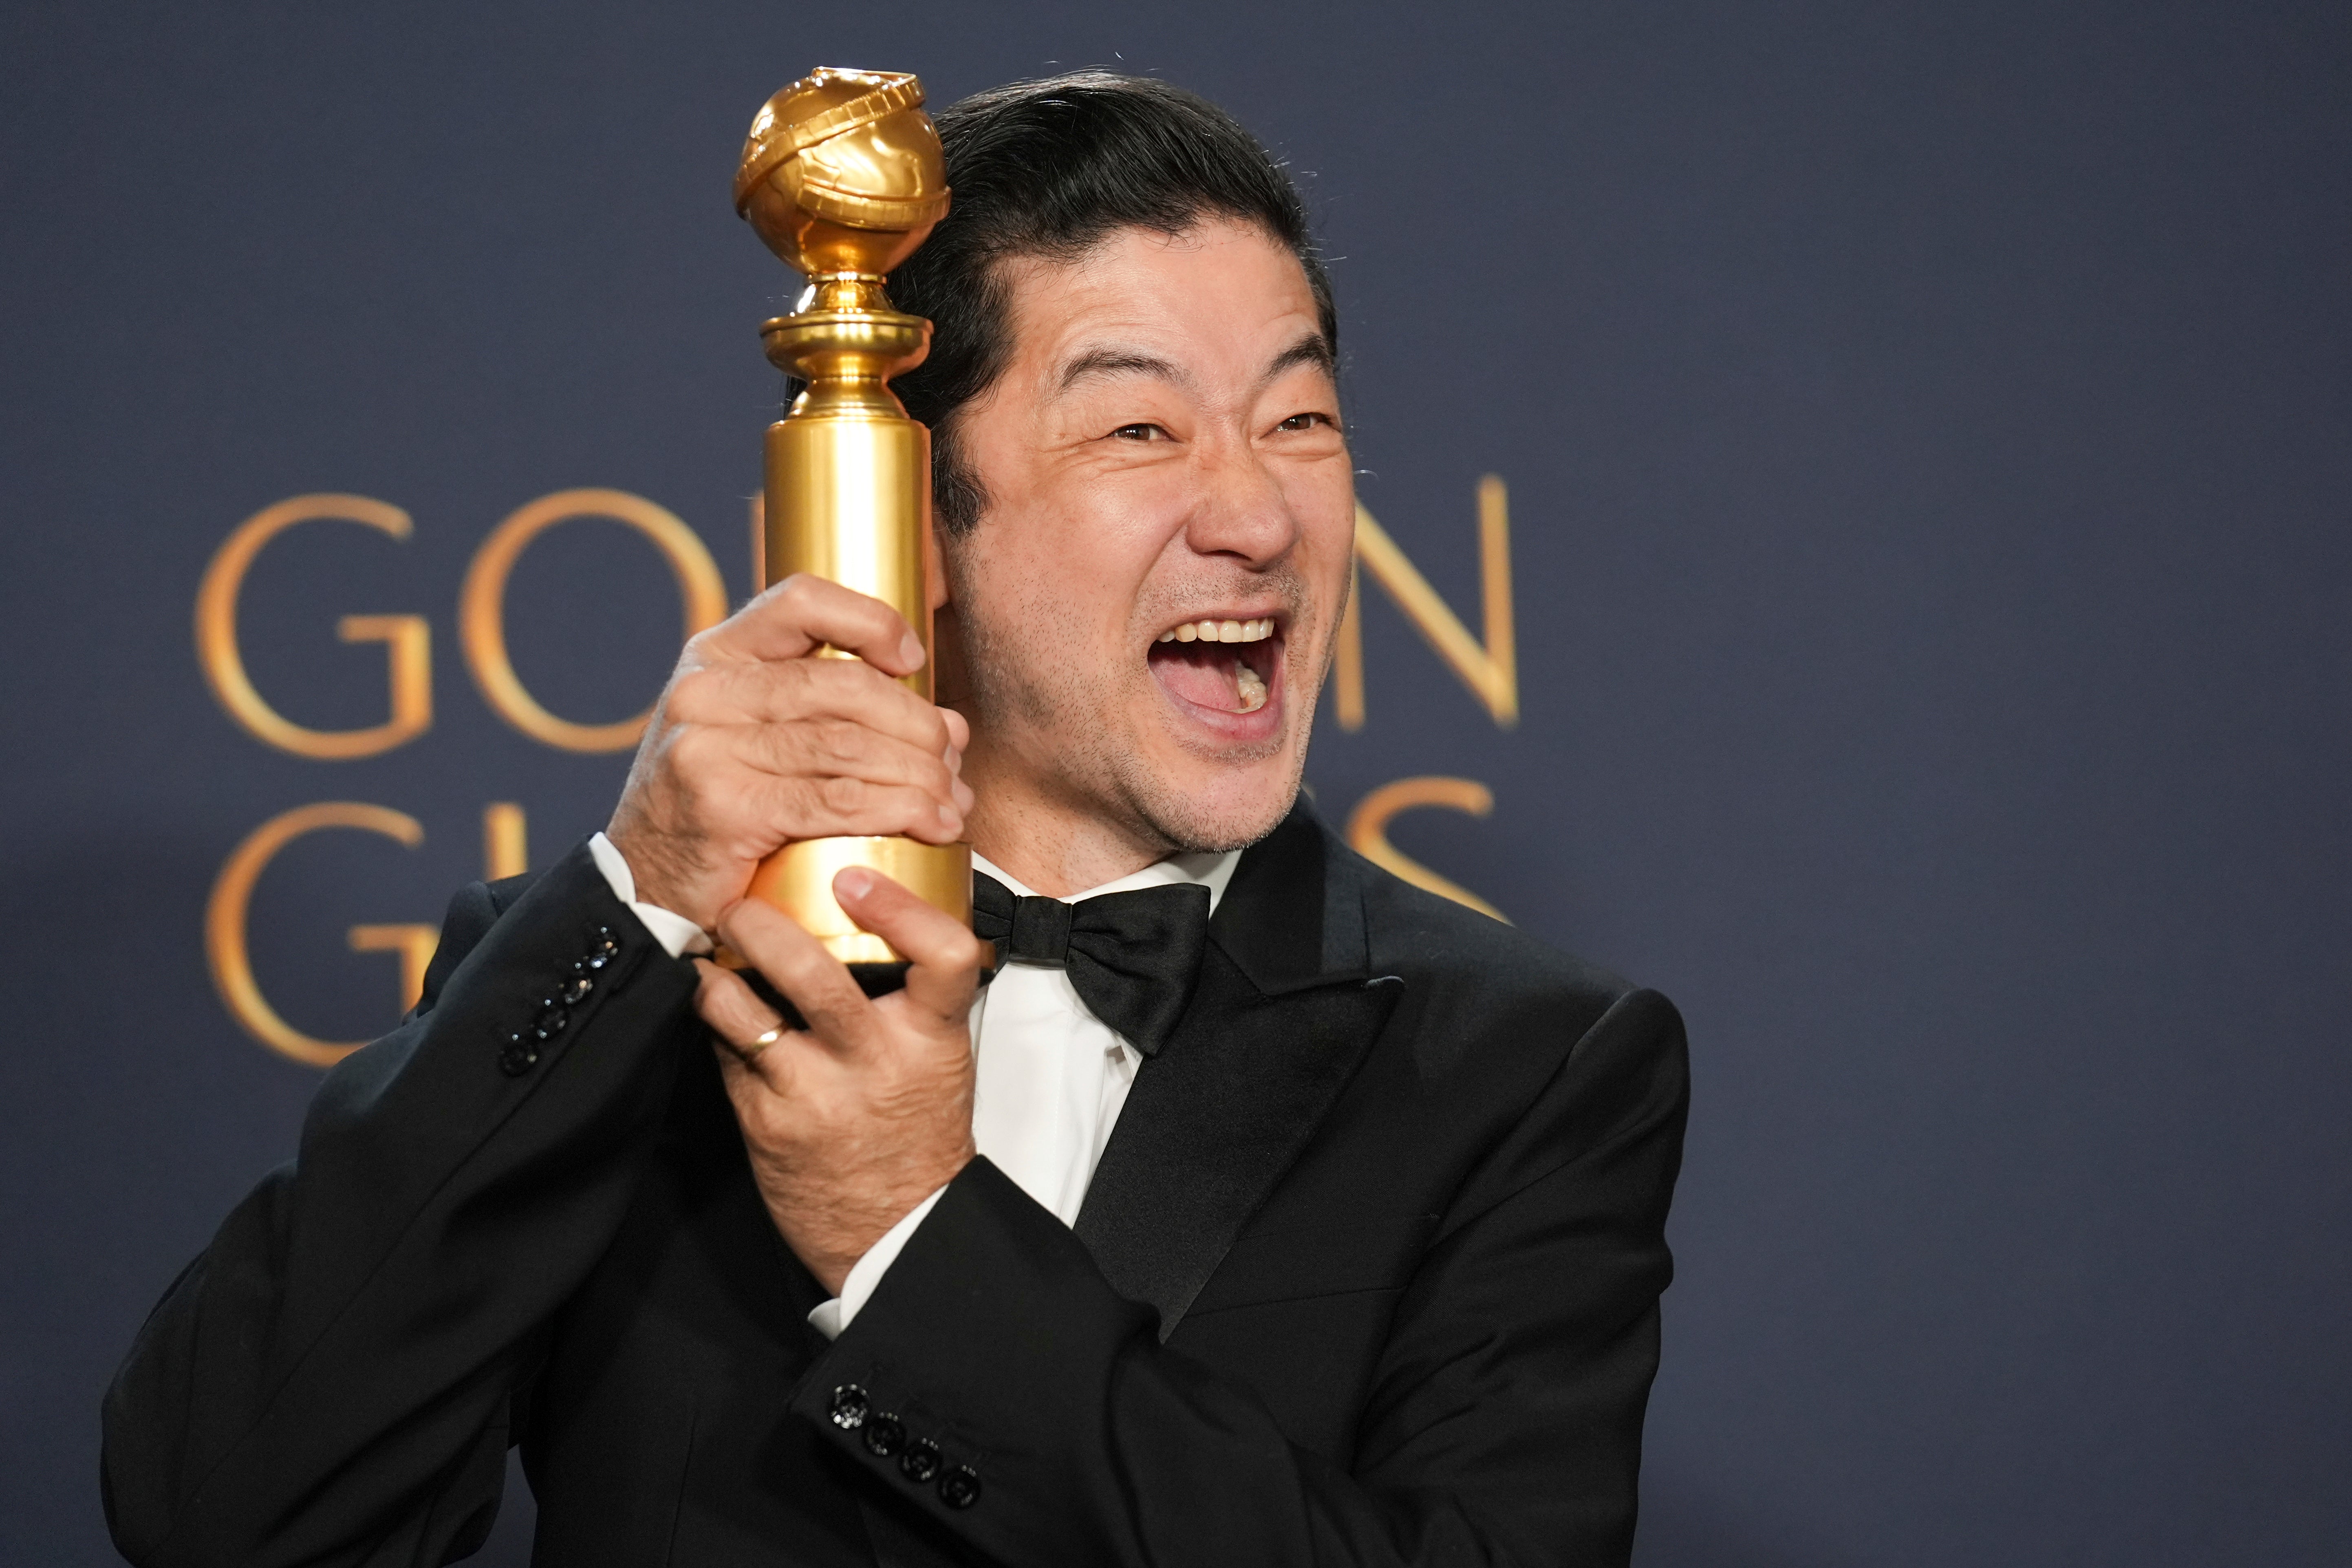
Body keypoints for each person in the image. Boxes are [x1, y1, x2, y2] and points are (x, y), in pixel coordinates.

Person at [102, 72, 1688, 1568]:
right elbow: (227, 1508)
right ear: (916, 517)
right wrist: (642, 893)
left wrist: (910, 1238)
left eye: (1301, 420)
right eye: (1140, 428)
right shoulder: (620, 985)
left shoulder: (1530, 1067)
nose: (1258, 512)